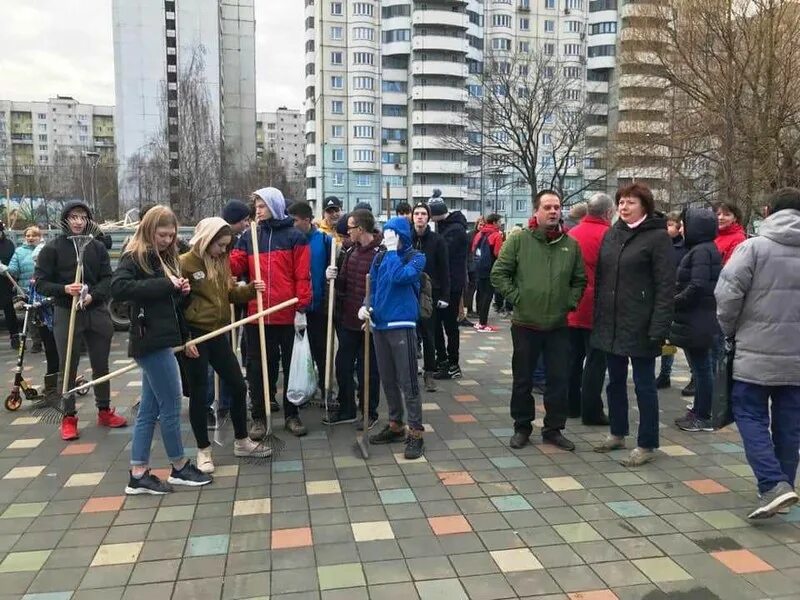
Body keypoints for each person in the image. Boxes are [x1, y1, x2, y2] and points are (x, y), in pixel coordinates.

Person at [111, 205, 211, 494]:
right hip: (149, 341)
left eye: (171, 235)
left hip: (161, 338)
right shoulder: (135, 256)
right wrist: (165, 285)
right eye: (162, 234)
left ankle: (138, 472)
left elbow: (165, 305)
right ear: (149, 230)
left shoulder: (163, 259)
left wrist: (179, 293)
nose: (168, 240)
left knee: (150, 410)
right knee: (170, 405)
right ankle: (178, 466)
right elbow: (120, 288)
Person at [715, 187, 800, 519]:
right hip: (796, 358)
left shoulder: (752, 248)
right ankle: (784, 485)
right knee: (789, 424)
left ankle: (772, 484)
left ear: (768, 210)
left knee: (749, 414)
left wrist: (730, 331)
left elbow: (726, 297)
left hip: (755, 352)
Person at [491, 190, 587, 451]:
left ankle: (553, 429)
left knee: (559, 379)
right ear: (536, 211)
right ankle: (522, 427)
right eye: (547, 207)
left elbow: (580, 280)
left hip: (558, 325)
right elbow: (499, 274)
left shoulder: (570, 244)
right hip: (525, 324)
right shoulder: (520, 240)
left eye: (557, 207)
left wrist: (569, 302)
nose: (553, 211)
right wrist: (518, 298)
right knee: (523, 380)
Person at [592, 183, 674, 466]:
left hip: (642, 325)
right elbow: (602, 278)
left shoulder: (657, 238)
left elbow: (666, 287)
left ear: (645, 206)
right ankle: (617, 432)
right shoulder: (612, 234)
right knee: (614, 382)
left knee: (644, 385)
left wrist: (659, 328)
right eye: (621, 202)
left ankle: (647, 443)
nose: (624, 207)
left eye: (630, 202)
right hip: (611, 322)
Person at [180, 217, 271, 473]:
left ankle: (241, 441)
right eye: (219, 245)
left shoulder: (221, 263)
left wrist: (251, 290)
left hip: (218, 333)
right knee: (199, 394)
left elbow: (229, 294)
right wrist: (184, 338)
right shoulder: (185, 263)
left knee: (238, 385)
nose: (223, 250)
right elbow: (176, 305)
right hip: (195, 337)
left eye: (226, 246)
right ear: (206, 240)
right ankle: (203, 450)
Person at [35, 201, 127, 441]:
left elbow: (108, 279)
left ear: (88, 220)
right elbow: (41, 283)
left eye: (83, 217)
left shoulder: (96, 247)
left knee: (101, 364)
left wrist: (93, 296)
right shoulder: (52, 248)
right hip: (66, 311)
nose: (78, 221)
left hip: (95, 311)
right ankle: (68, 417)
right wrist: (65, 288)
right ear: (65, 219)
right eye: (73, 217)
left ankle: (104, 410)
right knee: (68, 366)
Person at [230, 187, 312, 438]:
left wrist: (301, 308)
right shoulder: (249, 236)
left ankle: (291, 414)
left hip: (286, 314)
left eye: (262, 205)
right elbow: (236, 264)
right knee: (256, 367)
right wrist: (218, 251)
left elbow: (302, 275)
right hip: (258, 315)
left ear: (274, 206)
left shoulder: (294, 237)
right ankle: (258, 417)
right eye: (256, 206)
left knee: (291, 366)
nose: (257, 210)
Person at [366, 216, 427, 459]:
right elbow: (373, 286)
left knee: (408, 381)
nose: (389, 238)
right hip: (380, 325)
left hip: (402, 324)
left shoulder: (416, 257)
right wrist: (367, 306)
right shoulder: (379, 257)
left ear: (402, 236)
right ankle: (395, 424)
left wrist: (392, 252)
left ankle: (416, 431)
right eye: (387, 233)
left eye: (394, 234)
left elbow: (400, 277)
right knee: (388, 379)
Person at [323, 209, 382, 428]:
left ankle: (369, 412)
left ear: (361, 228)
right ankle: (346, 407)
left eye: (350, 227)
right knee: (343, 365)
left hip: (370, 323)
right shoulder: (350, 252)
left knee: (368, 370)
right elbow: (344, 285)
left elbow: (382, 287)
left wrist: (371, 307)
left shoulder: (380, 253)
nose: (347, 231)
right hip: (349, 320)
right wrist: (333, 277)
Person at [669, 208, 722, 433]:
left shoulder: (701, 251)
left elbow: (698, 285)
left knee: (702, 369)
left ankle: (703, 415)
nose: (681, 229)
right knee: (703, 368)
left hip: (698, 319)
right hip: (699, 317)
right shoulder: (703, 249)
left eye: (684, 225)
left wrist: (675, 300)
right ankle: (699, 411)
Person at [566, 193, 613, 426]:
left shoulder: (572, 234)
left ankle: (571, 405)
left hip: (573, 306)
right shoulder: (608, 236)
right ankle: (592, 410)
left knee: (573, 359)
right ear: (608, 213)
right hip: (598, 308)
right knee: (595, 362)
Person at [287, 201, 333, 400]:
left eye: (295, 220)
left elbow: (335, 264)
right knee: (297, 353)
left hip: (318, 306)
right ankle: (303, 387)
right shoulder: (289, 240)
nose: (292, 224)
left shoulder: (323, 240)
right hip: (295, 307)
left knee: (321, 350)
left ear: (307, 220)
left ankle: (325, 388)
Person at [428, 191, 468, 380]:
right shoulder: (443, 227)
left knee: (450, 326)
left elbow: (442, 253)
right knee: (436, 325)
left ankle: (453, 364)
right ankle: (442, 360)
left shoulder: (455, 230)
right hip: (440, 284)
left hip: (452, 285)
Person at [411, 202, 449, 392]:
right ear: (412, 217)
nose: (419, 217)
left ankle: (429, 373)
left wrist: (444, 294)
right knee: (410, 334)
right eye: (416, 213)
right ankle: (410, 372)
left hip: (429, 294)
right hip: (408, 292)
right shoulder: (406, 238)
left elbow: (444, 269)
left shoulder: (437, 240)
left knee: (429, 334)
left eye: (423, 214)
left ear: (428, 217)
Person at [656, 212, 688, 389]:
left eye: (670, 225)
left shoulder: (684, 249)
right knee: (666, 340)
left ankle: (693, 377)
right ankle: (665, 373)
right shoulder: (660, 245)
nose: (667, 228)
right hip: (665, 297)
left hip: (678, 297)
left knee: (682, 340)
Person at [8, 226, 44, 352]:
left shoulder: (45, 249)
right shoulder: (19, 252)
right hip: (26, 289)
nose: (30, 238)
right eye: (28, 235)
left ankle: (50, 341)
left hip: (44, 288)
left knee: (45, 315)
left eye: (33, 235)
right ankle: (36, 343)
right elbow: (13, 269)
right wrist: (6, 269)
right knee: (30, 317)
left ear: (39, 237)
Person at [472, 214, 504, 332]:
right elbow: (498, 253)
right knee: (488, 295)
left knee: (480, 292)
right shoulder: (496, 235)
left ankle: (480, 319)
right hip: (490, 268)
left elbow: (473, 248)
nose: (500, 224)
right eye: (500, 221)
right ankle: (483, 323)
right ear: (495, 222)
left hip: (478, 267)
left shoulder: (479, 233)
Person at [0, 222, 19, 349]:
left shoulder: (8, 244)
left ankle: (15, 336)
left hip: (4, 281)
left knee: (8, 308)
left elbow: (12, 260)